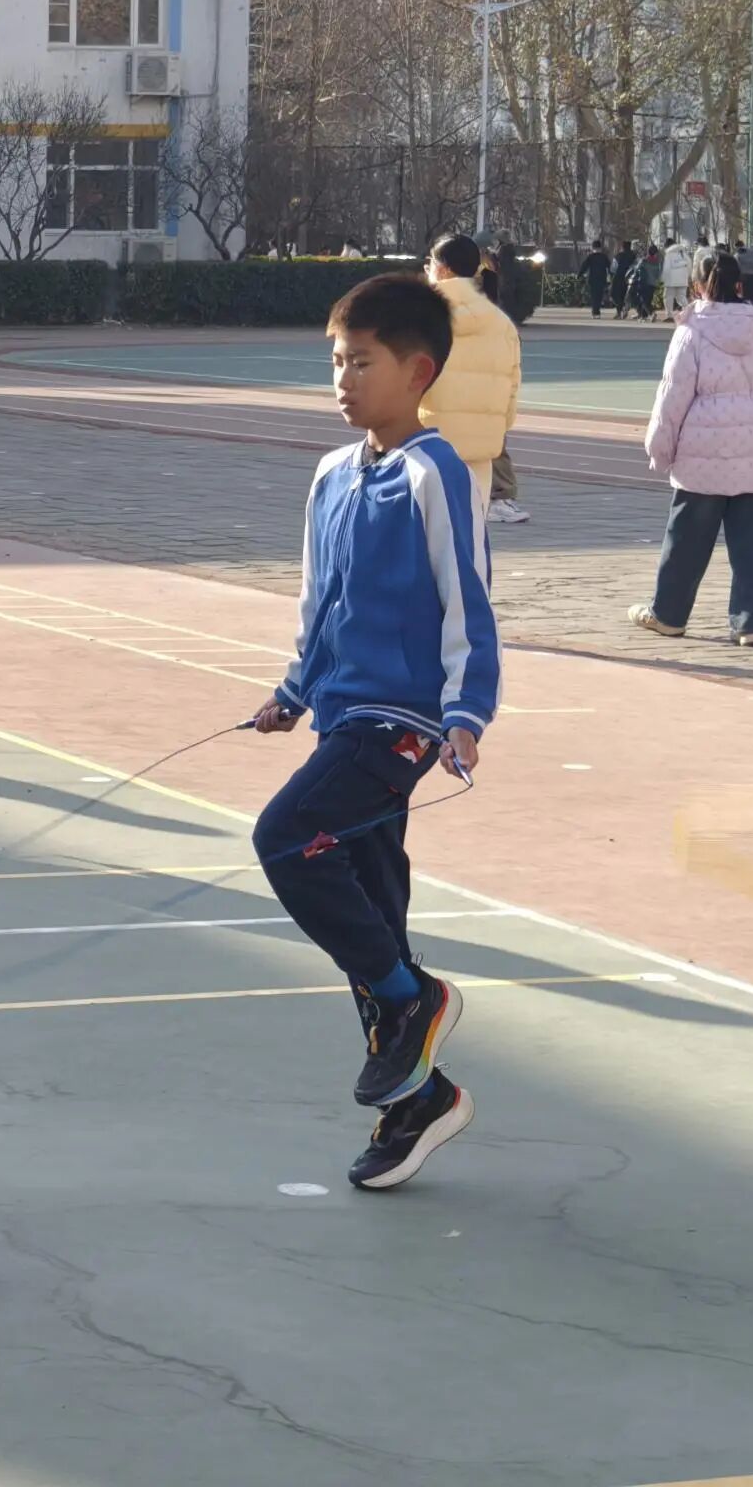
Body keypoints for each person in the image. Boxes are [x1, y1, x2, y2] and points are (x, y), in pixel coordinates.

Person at [252, 271, 499, 1193]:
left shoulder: (437, 472)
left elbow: (469, 599)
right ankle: (418, 1100)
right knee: (373, 908)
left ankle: (414, 1000)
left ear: (418, 371)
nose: (343, 379)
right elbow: (318, 603)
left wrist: (466, 714)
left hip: (401, 725)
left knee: (285, 838)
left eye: (362, 363)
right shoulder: (330, 475)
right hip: (341, 717)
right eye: (336, 362)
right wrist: (293, 690)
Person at [629, 252, 753, 646]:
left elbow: (673, 395)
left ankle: (668, 614)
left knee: (686, 539)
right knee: (752, 544)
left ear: (697, 286)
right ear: (740, 285)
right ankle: (751, 623)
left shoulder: (691, 331)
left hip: (703, 450)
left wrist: (659, 446)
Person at [418, 233, 524, 525]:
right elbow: (511, 390)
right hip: (481, 451)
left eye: (430, 262)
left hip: (426, 446)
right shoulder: (501, 323)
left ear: (442, 269)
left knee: (424, 534)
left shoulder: (421, 317)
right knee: (470, 537)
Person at [579, 238, 612, 318]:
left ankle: (595, 312)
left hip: (592, 279)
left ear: (593, 247)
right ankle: (597, 311)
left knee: (594, 296)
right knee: (599, 296)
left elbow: (584, 266)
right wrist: (612, 275)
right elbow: (609, 267)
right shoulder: (604, 257)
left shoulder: (590, 257)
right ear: (600, 247)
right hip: (602, 279)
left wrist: (579, 274)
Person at [611, 239, 637, 318]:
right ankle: (624, 309)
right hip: (630, 278)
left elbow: (613, 268)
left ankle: (619, 311)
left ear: (622, 247)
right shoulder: (633, 256)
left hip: (618, 277)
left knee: (614, 294)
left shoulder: (618, 256)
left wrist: (611, 275)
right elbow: (636, 266)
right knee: (625, 295)